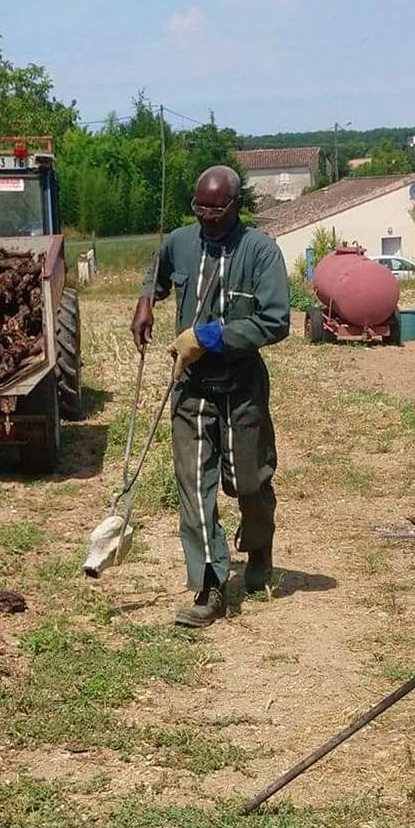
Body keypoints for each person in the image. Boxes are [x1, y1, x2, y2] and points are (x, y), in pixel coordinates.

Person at [132, 166, 291, 628]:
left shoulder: (260, 251)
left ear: (235, 206)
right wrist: (146, 300)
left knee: (249, 482)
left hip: (241, 388)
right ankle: (211, 585)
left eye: (216, 210)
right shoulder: (180, 242)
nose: (206, 218)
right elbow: (157, 270)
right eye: (199, 209)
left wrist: (208, 337)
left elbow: (276, 321)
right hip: (192, 388)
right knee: (194, 490)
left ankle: (259, 548)